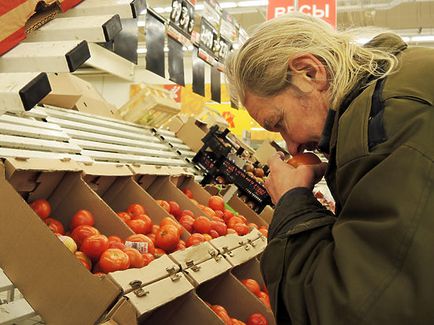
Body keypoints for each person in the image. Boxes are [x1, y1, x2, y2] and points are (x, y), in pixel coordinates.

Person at [225, 13, 434, 324]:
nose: (292, 146)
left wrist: (293, 201)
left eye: (278, 123)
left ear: (310, 73)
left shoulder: (384, 123)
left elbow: (357, 309)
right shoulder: (402, 81)